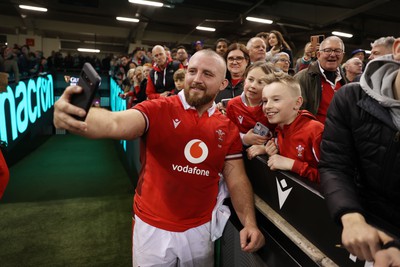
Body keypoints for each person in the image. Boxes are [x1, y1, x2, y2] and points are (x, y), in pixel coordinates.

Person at [53, 49, 265, 266]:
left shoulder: (227, 128)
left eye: (208, 74)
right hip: (151, 228)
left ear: (223, 84)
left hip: (199, 229)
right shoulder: (157, 108)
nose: (197, 79)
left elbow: (236, 178)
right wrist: (79, 115)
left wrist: (250, 223)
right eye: (192, 71)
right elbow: (115, 123)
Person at [319, 38, 400, 263]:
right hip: (362, 227)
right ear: (399, 50)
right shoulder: (350, 98)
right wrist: (351, 217)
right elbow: (335, 164)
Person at [248, 71, 323, 182]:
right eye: (264, 101)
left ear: (297, 103)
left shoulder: (316, 131)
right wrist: (268, 150)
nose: (267, 106)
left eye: (276, 99)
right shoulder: (279, 129)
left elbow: (335, 180)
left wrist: (294, 165)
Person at [294, 36, 347, 124]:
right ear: (318, 55)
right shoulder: (302, 78)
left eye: (337, 51)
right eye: (328, 50)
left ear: (343, 55)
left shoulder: (344, 81)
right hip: (314, 135)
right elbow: (295, 113)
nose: (333, 54)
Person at [225, 61, 275, 148]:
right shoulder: (233, 105)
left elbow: (279, 133)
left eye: (260, 82)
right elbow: (228, 133)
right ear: (244, 79)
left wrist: (265, 146)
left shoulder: (272, 107)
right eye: (250, 79)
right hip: (239, 152)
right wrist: (244, 139)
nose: (253, 86)